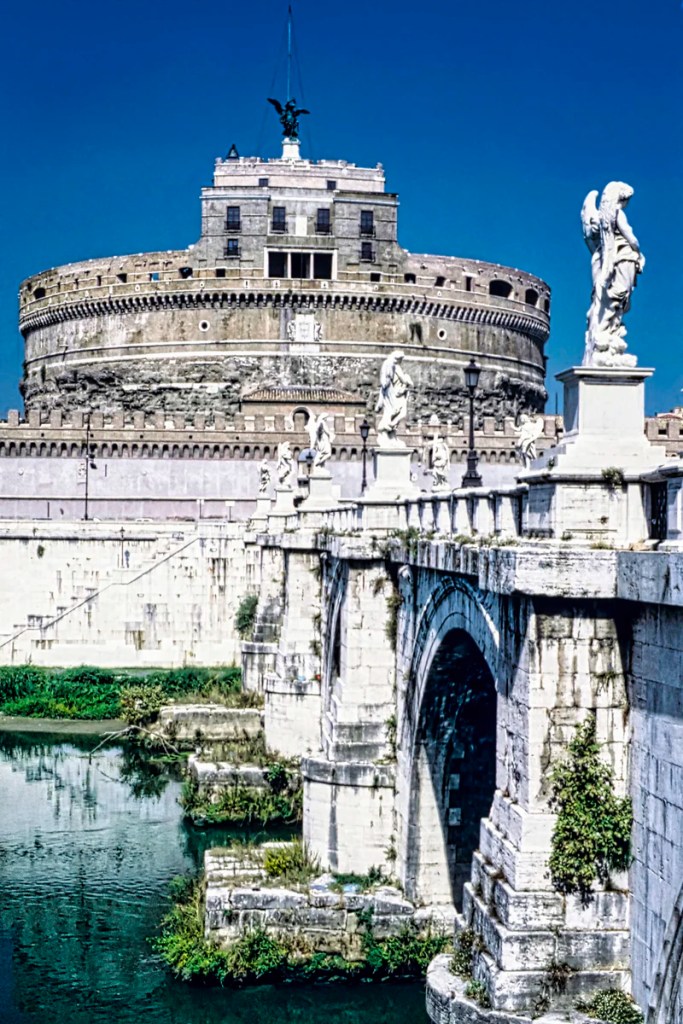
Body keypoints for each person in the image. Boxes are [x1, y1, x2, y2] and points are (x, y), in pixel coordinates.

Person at [581, 182, 645, 367]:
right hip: (623, 258)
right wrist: (639, 252)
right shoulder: (617, 213)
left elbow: (592, 236)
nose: (627, 203)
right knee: (618, 295)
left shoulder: (601, 218)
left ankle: (605, 336)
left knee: (610, 298)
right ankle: (603, 335)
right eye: (627, 200)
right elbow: (630, 236)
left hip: (608, 258)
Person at [375, 350, 414, 445]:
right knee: (394, 412)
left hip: (393, 392)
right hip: (394, 393)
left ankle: (391, 434)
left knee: (394, 413)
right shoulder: (394, 366)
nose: (401, 361)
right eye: (400, 359)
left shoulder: (389, 364)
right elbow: (404, 380)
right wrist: (409, 380)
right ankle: (385, 430)